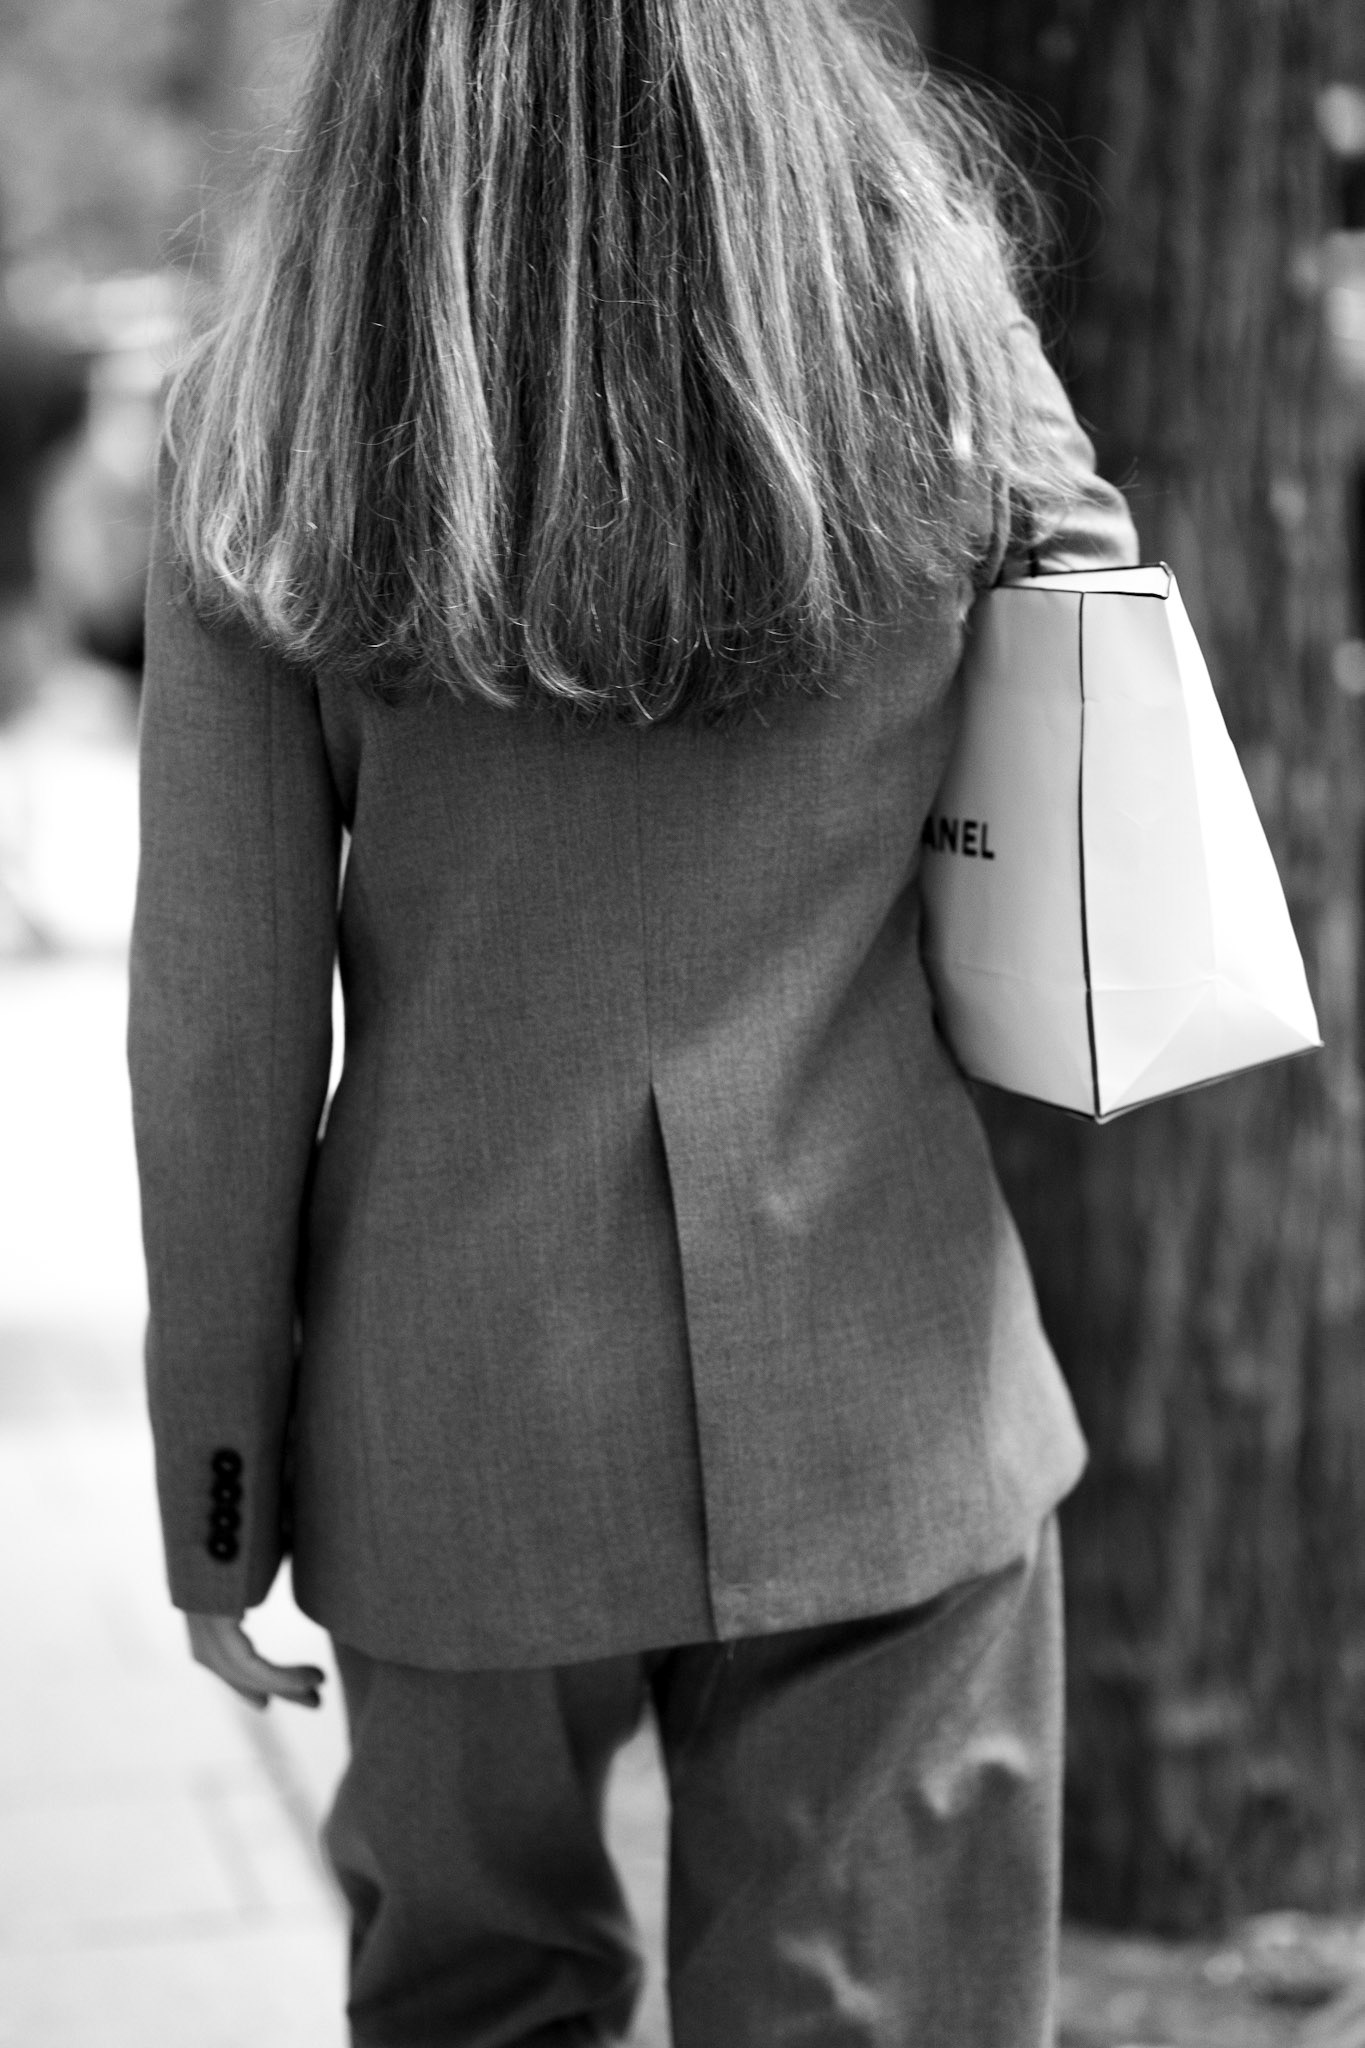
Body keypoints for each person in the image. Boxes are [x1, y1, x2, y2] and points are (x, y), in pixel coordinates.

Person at [128, 3, 1138, 2043]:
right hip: (889, 1378)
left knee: (477, 2005)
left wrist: (217, 1483)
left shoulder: (271, 421)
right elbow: (1091, 653)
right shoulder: (936, 345)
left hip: (450, 1423)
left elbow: (220, 1022)